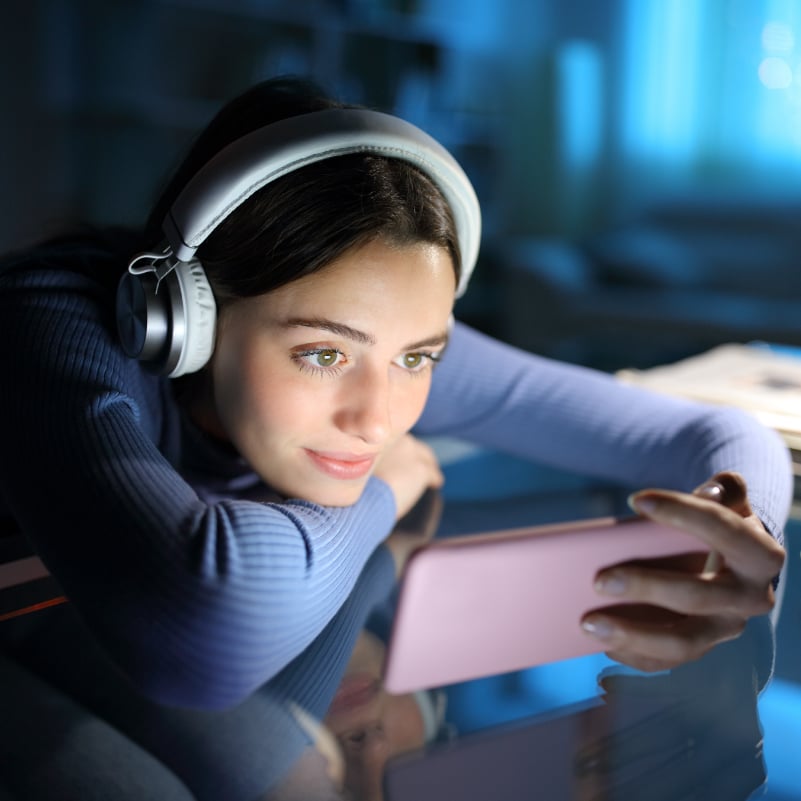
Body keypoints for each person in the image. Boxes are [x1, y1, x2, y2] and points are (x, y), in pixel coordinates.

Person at [0, 75, 790, 798]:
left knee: (302, 772)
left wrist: (739, 560)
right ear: (190, 319)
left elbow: (712, 432)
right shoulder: (57, 326)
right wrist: (384, 491)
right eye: (322, 353)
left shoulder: (385, 323)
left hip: (101, 615)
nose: (377, 417)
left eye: (418, 356)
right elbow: (206, 636)